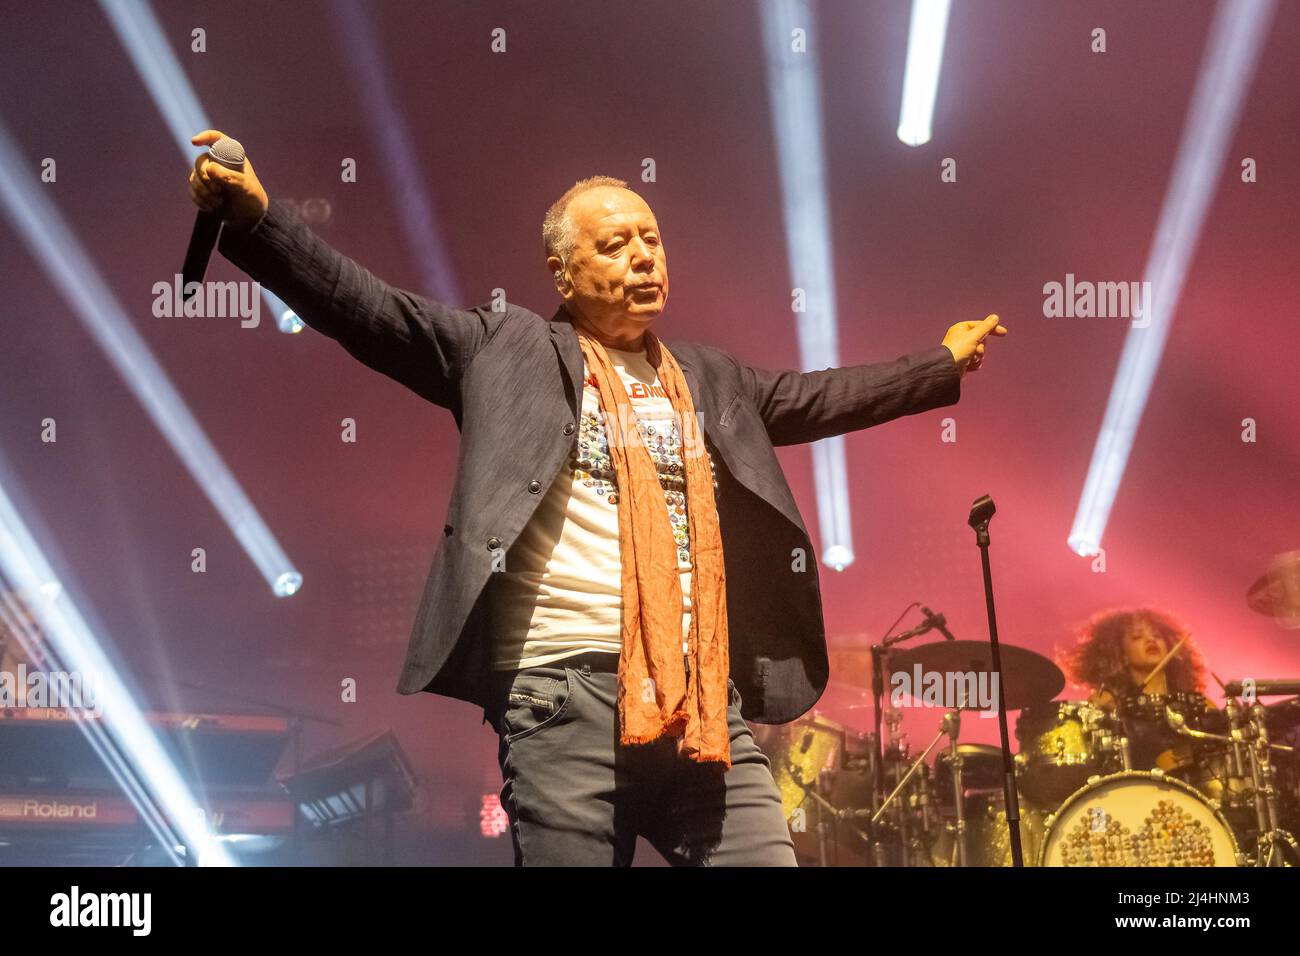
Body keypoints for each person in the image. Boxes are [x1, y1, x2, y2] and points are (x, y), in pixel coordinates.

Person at [187, 128, 1006, 865]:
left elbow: (822, 396)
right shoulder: (504, 350)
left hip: (700, 704)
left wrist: (937, 363)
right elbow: (367, 309)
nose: (643, 256)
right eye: (615, 245)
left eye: (651, 239)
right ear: (564, 273)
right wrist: (260, 223)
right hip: (560, 699)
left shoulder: (710, 380)